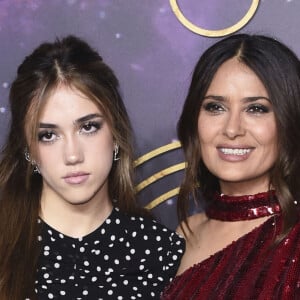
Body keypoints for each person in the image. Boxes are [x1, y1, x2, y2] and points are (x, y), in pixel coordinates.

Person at [0, 35, 185, 300]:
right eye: (48, 135)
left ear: (116, 132)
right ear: (28, 149)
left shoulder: (161, 250)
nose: (72, 155)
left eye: (88, 127)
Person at [161, 34, 300, 299]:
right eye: (215, 107)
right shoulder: (184, 233)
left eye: (256, 109)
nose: (232, 129)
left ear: (289, 119)